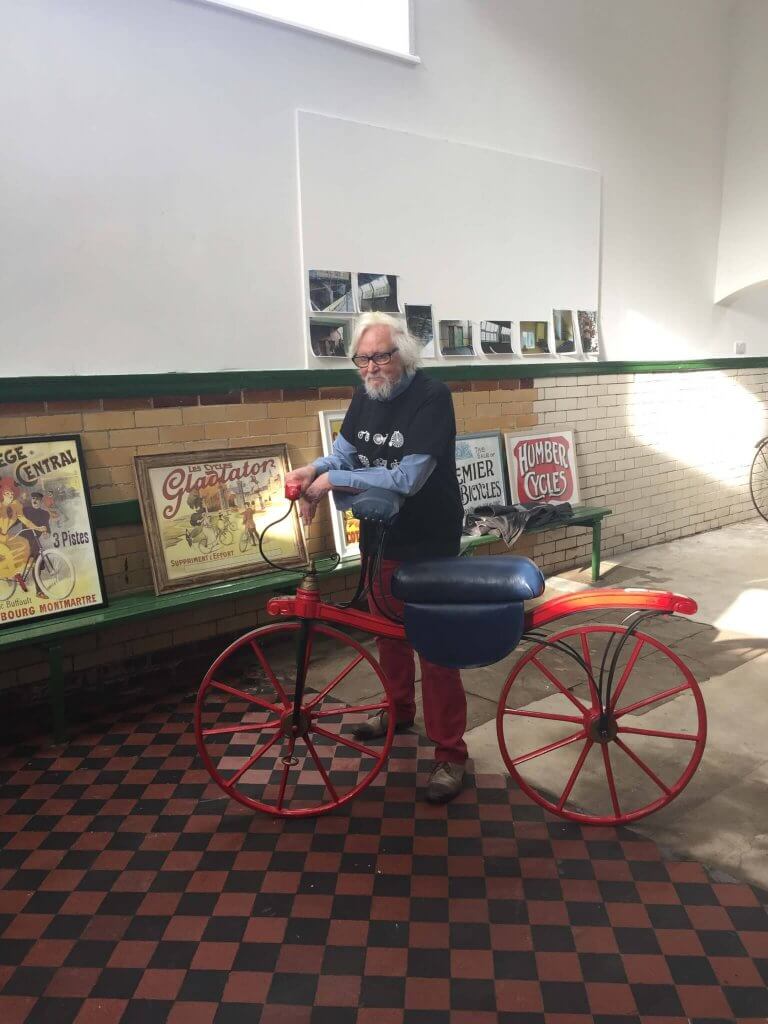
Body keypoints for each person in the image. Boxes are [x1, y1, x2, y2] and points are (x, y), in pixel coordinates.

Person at [285, 312, 467, 803]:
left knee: (435, 649)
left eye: (380, 356)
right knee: (386, 632)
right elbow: (344, 454)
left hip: (428, 540)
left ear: (402, 355)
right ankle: (398, 710)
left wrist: (334, 483)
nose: (371, 368)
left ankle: (451, 753)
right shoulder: (365, 397)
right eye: (363, 359)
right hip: (379, 537)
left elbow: (408, 478)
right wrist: (314, 469)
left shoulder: (432, 397)